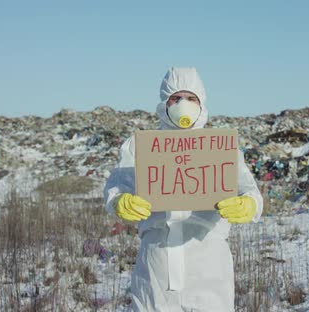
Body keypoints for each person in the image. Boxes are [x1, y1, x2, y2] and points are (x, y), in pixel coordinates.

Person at [104, 67, 263, 311]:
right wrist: (119, 200)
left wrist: (249, 203)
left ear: (202, 103)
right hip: (157, 261)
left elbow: (248, 187)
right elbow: (118, 182)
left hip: (208, 259)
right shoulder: (141, 146)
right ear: (164, 102)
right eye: (176, 98)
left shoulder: (220, 148)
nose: (183, 104)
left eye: (191, 98)